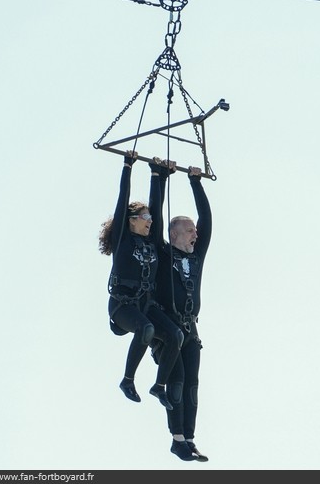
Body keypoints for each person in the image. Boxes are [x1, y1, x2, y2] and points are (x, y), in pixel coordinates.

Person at [98, 150, 184, 410]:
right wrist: (128, 166)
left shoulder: (151, 242)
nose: (150, 222)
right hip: (123, 306)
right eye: (145, 218)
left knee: (175, 335)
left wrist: (158, 175)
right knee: (146, 329)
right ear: (132, 220)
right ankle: (127, 380)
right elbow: (121, 199)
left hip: (145, 306)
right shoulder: (123, 240)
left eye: (150, 219)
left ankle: (159, 386)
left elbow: (156, 207)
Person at [150, 165, 212, 462]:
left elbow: (208, 221)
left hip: (191, 330)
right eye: (189, 230)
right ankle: (176, 439)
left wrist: (195, 182)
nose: (195, 234)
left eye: (194, 231)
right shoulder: (163, 253)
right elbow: (158, 217)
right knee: (176, 381)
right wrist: (159, 178)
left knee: (192, 385)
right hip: (167, 331)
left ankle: (189, 438)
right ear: (174, 234)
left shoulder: (196, 256)